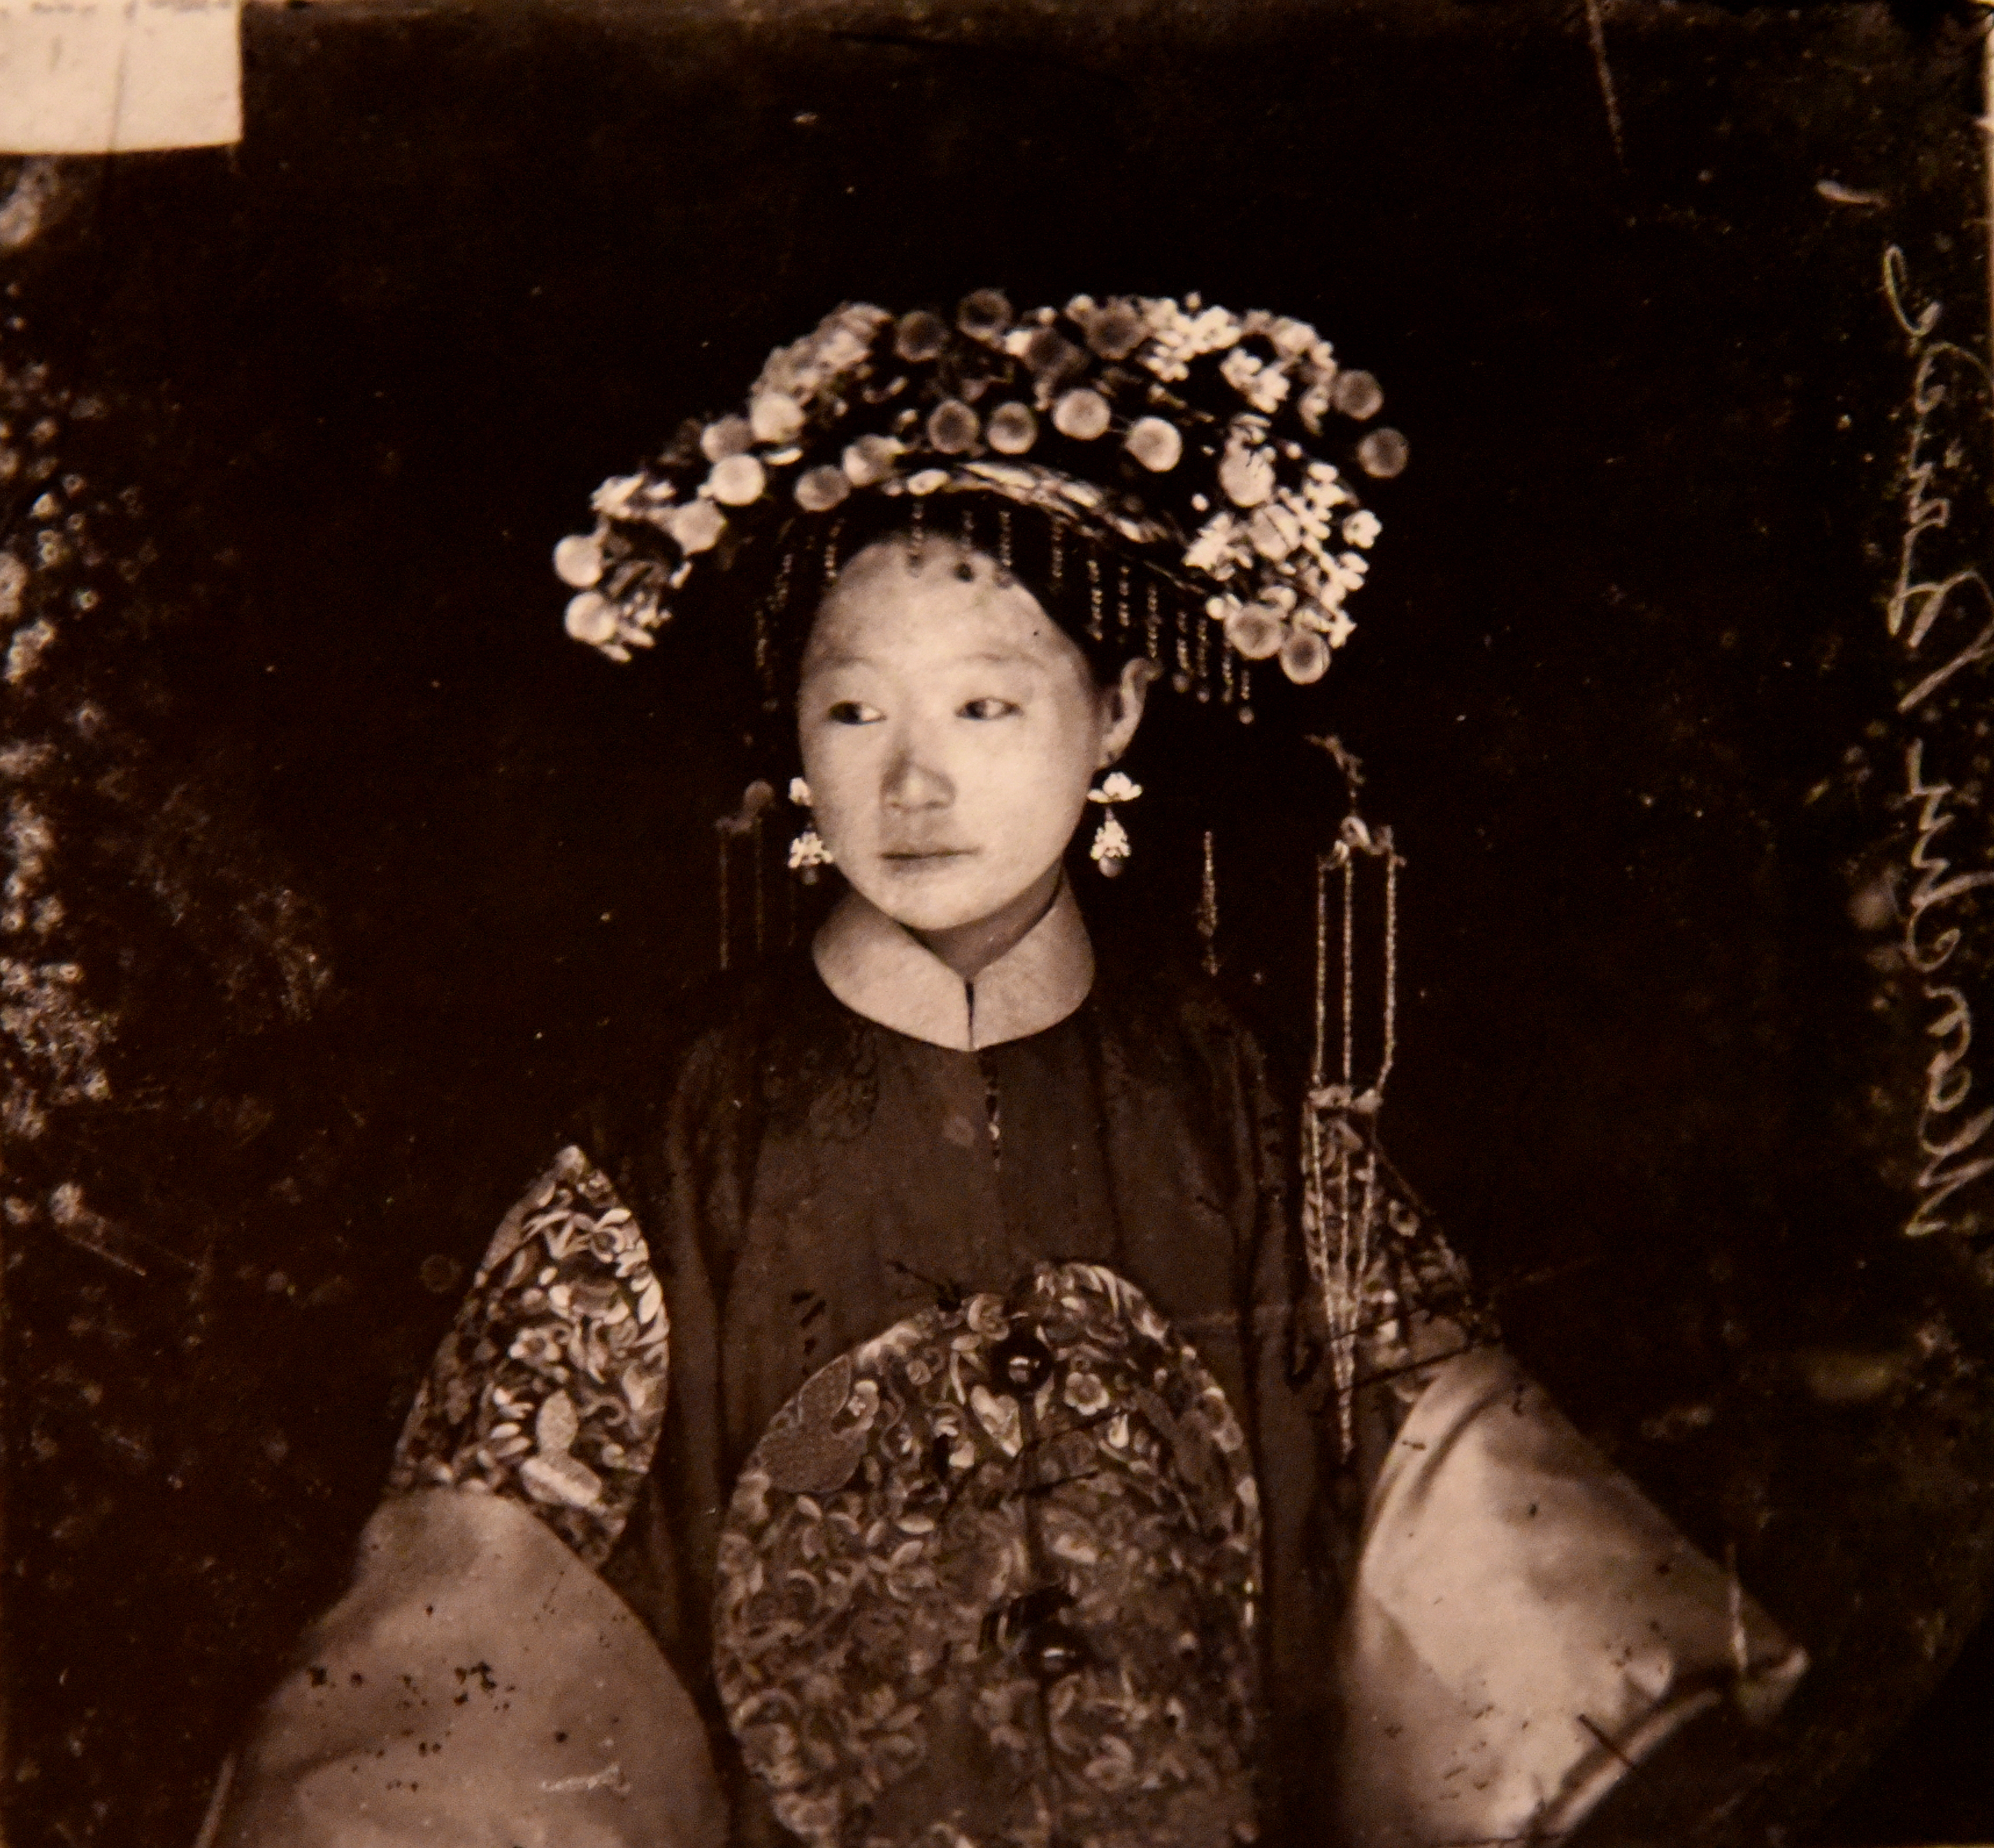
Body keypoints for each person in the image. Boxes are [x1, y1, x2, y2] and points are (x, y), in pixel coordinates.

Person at [203, 294, 1806, 1848]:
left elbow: (1452, 1491)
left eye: (985, 703)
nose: (914, 779)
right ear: (797, 744)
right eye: (853, 710)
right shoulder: (676, 1134)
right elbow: (484, 1589)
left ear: (1114, 709)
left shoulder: (1235, 1106)